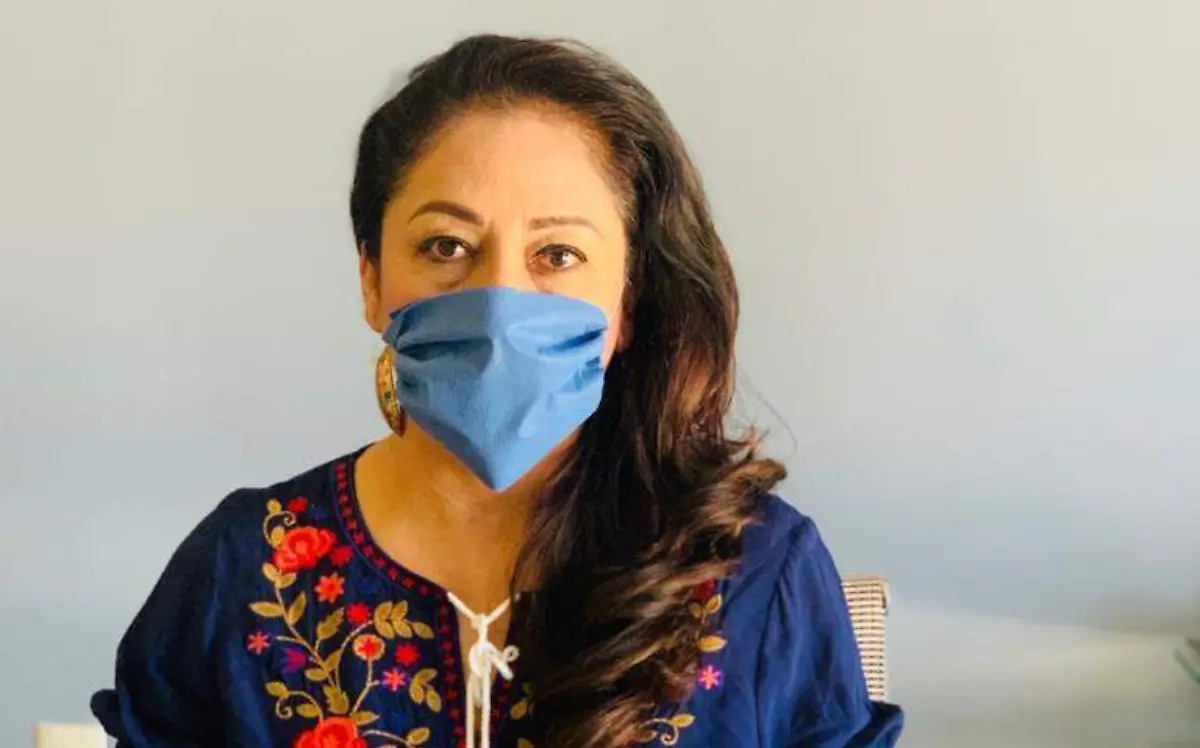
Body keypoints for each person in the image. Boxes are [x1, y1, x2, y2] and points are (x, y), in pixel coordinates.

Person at [91, 33, 904, 748]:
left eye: (557, 255)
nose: (498, 301)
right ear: (372, 280)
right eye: (446, 246)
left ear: (627, 302)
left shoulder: (755, 573)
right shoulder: (243, 570)